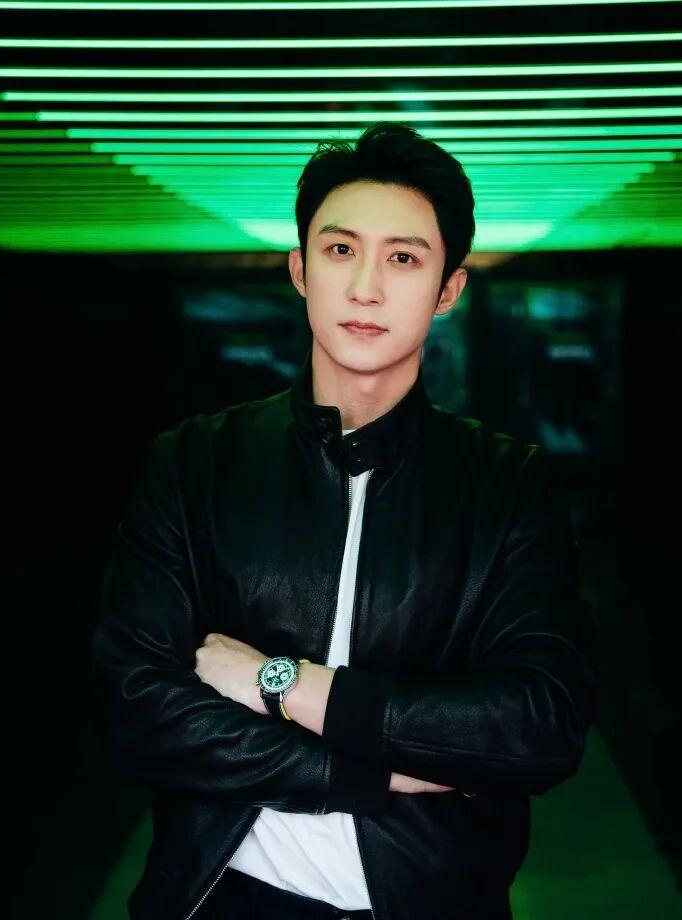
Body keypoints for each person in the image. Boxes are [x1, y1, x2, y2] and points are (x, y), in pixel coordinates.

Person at [91, 122, 598, 920]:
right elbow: (136, 706)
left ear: (449, 289)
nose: (366, 287)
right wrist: (368, 771)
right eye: (339, 250)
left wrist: (283, 683)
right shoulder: (193, 462)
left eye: (404, 258)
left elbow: (539, 725)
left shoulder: (506, 484)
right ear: (300, 269)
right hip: (222, 898)